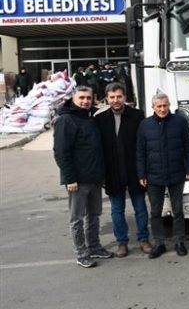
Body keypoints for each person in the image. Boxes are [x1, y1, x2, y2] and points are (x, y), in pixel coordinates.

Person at [53, 85, 114, 268]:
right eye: (81, 98)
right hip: (77, 180)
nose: (85, 101)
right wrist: (69, 178)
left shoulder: (90, 118)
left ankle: (94, 246)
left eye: (88, 98)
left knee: (94, 215)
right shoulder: (66, 120)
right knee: (77, 218)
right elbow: (61, 152)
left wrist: (102, 175)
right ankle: (81, 253)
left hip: (94, 177)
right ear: (73, 99)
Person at [137, 93, 189, 258]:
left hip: (176, 173)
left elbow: (188, 147)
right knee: (156, 212)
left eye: (165, 105)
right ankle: (159, 243)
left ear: (169, 105)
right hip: (153, 176)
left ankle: (179, 241)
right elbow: (140, 152)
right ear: (153, 107)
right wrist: (141, 173)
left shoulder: (180, 122)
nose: (162, 109)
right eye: (159, 106)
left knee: (177, 210)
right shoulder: (145, 125)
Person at [96, 83, 152, 257]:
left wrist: (144, 171)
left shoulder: (137, 116)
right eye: (112, 97)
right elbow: (99, 150)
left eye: (119, 96)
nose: (115, 100)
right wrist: (102, 175)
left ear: (125, 97)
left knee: (140, 207)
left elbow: (143, 145)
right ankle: (122, 243)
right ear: (107, 98)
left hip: (135, 171)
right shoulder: (100, 120)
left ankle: (144, 239)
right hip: (113, 173)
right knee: (116, 210)